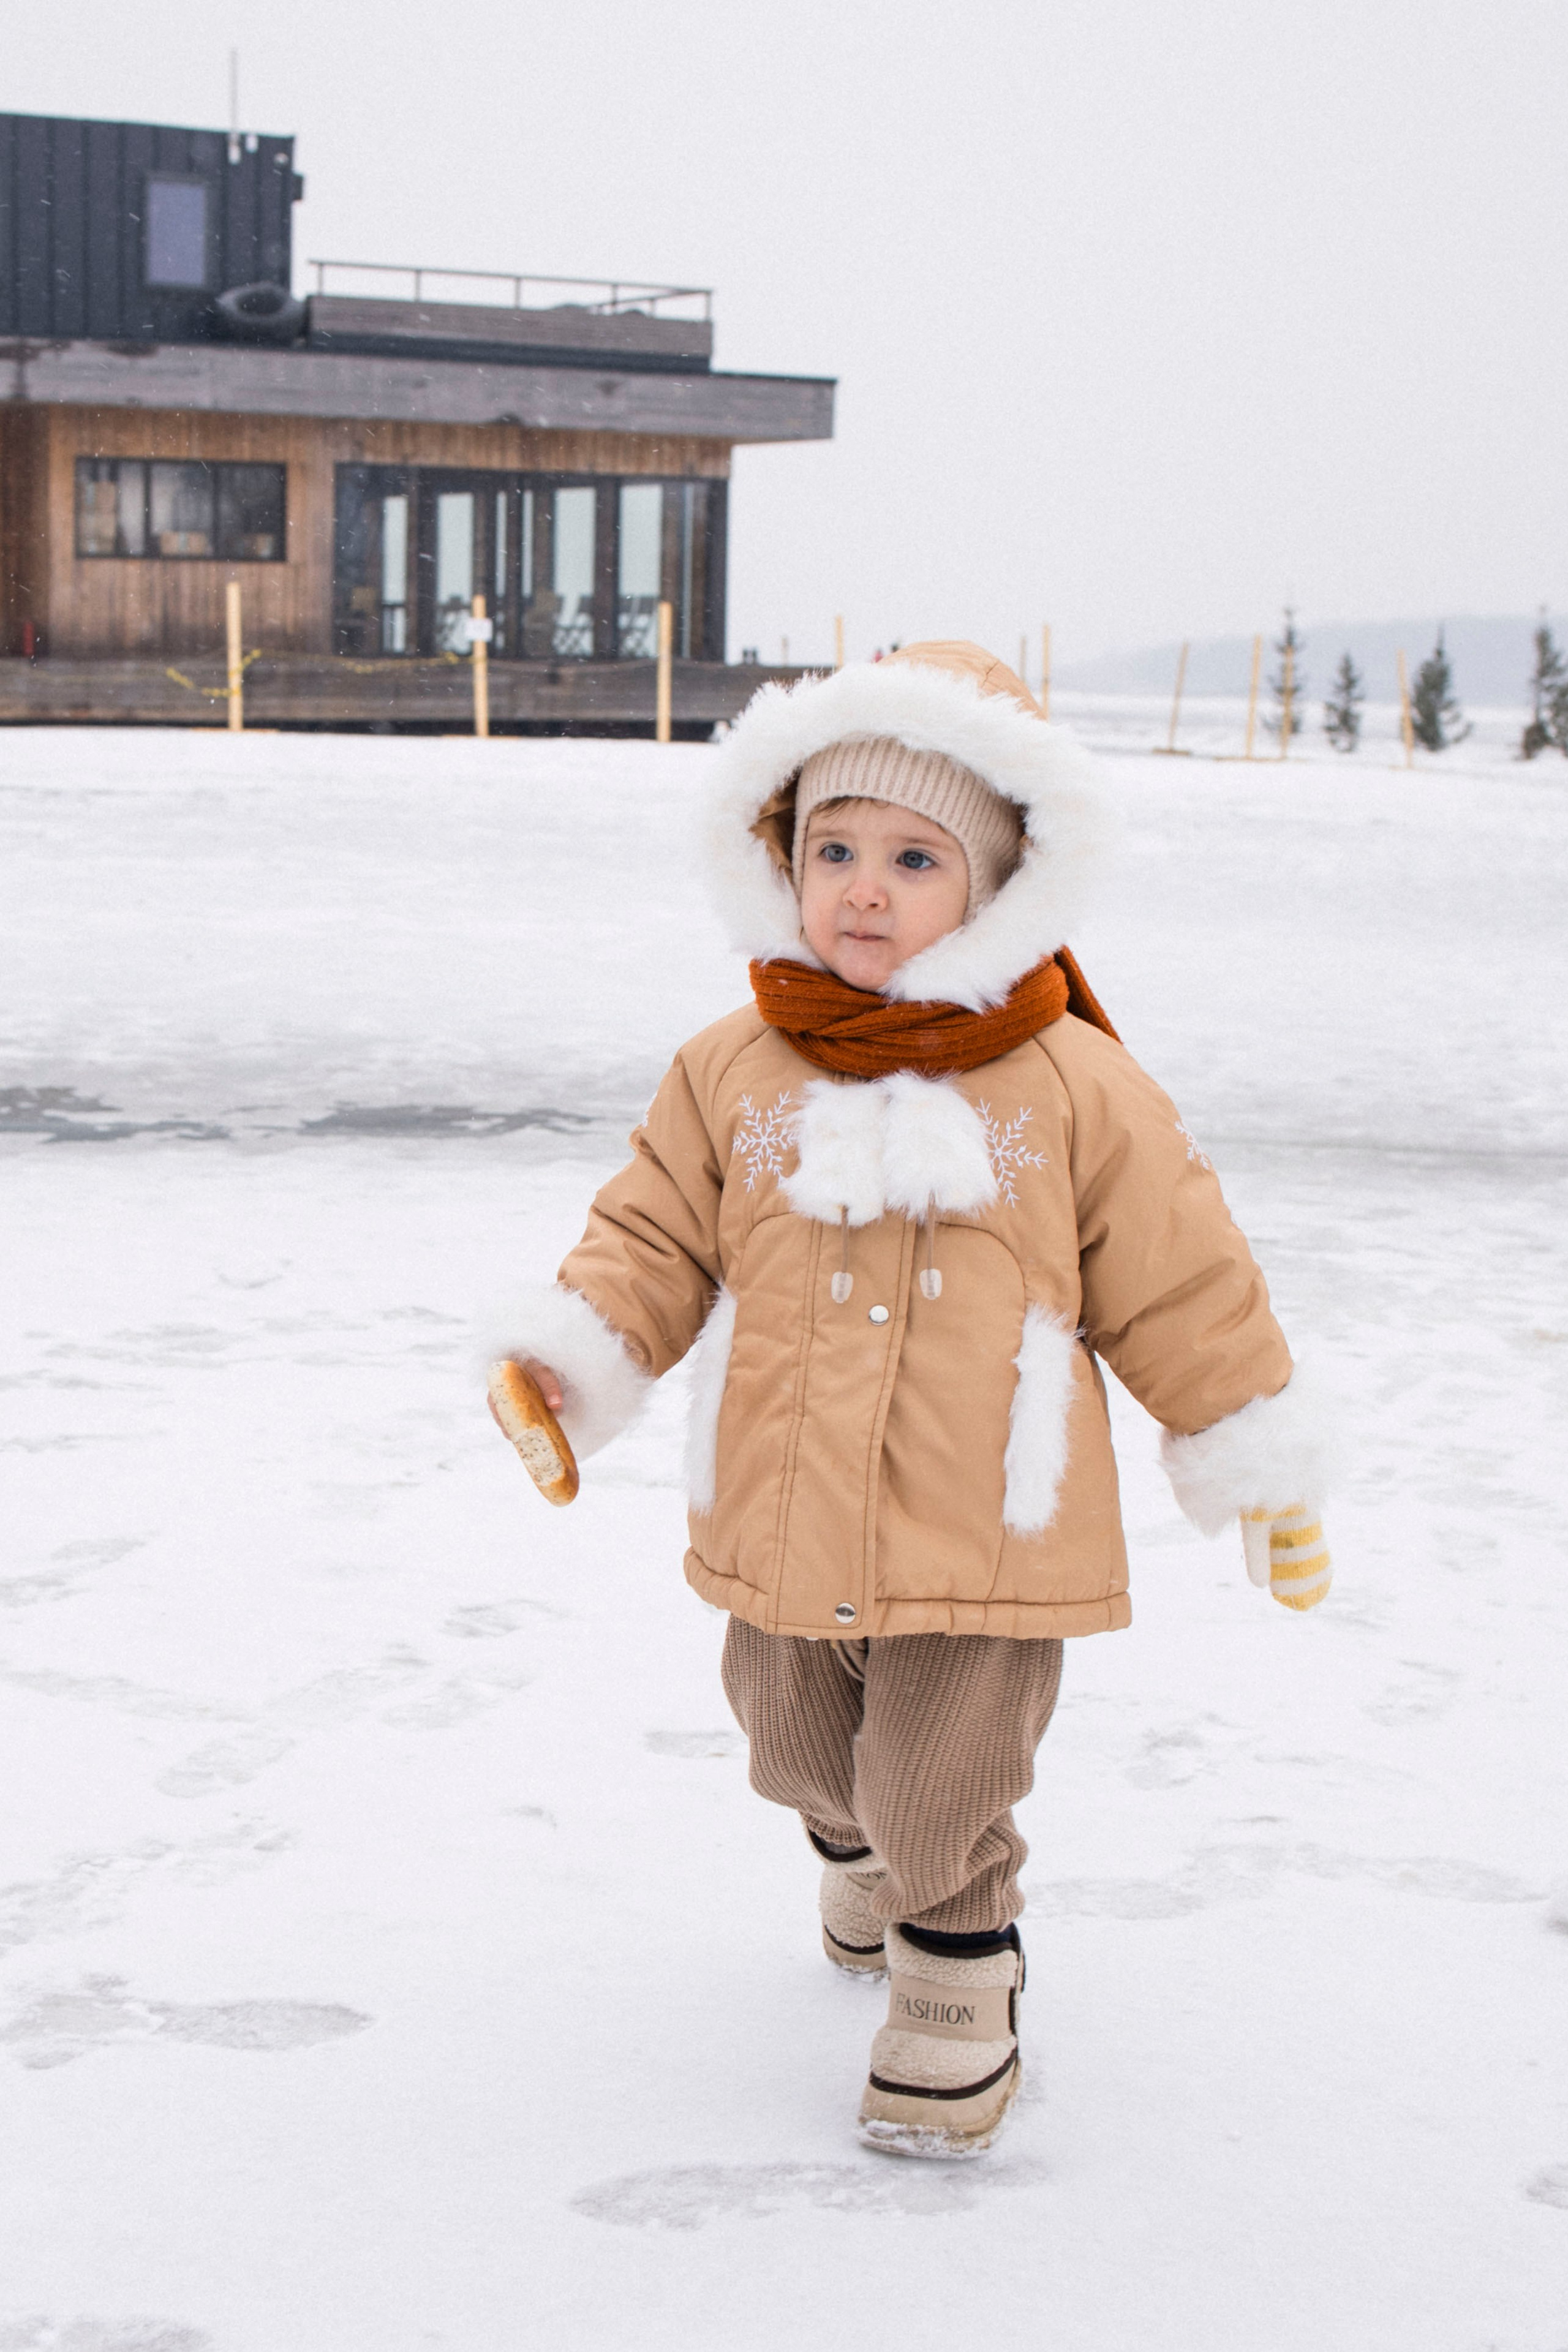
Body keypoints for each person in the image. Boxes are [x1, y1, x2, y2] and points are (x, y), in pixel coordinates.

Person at [486, 641, 1334, 2160]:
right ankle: (849, 1844)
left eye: (912, 857)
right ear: (778, 857)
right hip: (783, 1491)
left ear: (999, 886)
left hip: (991, 1523)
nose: (862, 890)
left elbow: (1180, 1276)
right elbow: (652, 1236)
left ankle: (956, 1973)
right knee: (791, 1740)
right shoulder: (732, 1068)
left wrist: (1251, 1457)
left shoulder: (1073, 1084)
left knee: (943, 1777)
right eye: (832, 849)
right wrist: (575, 1353)